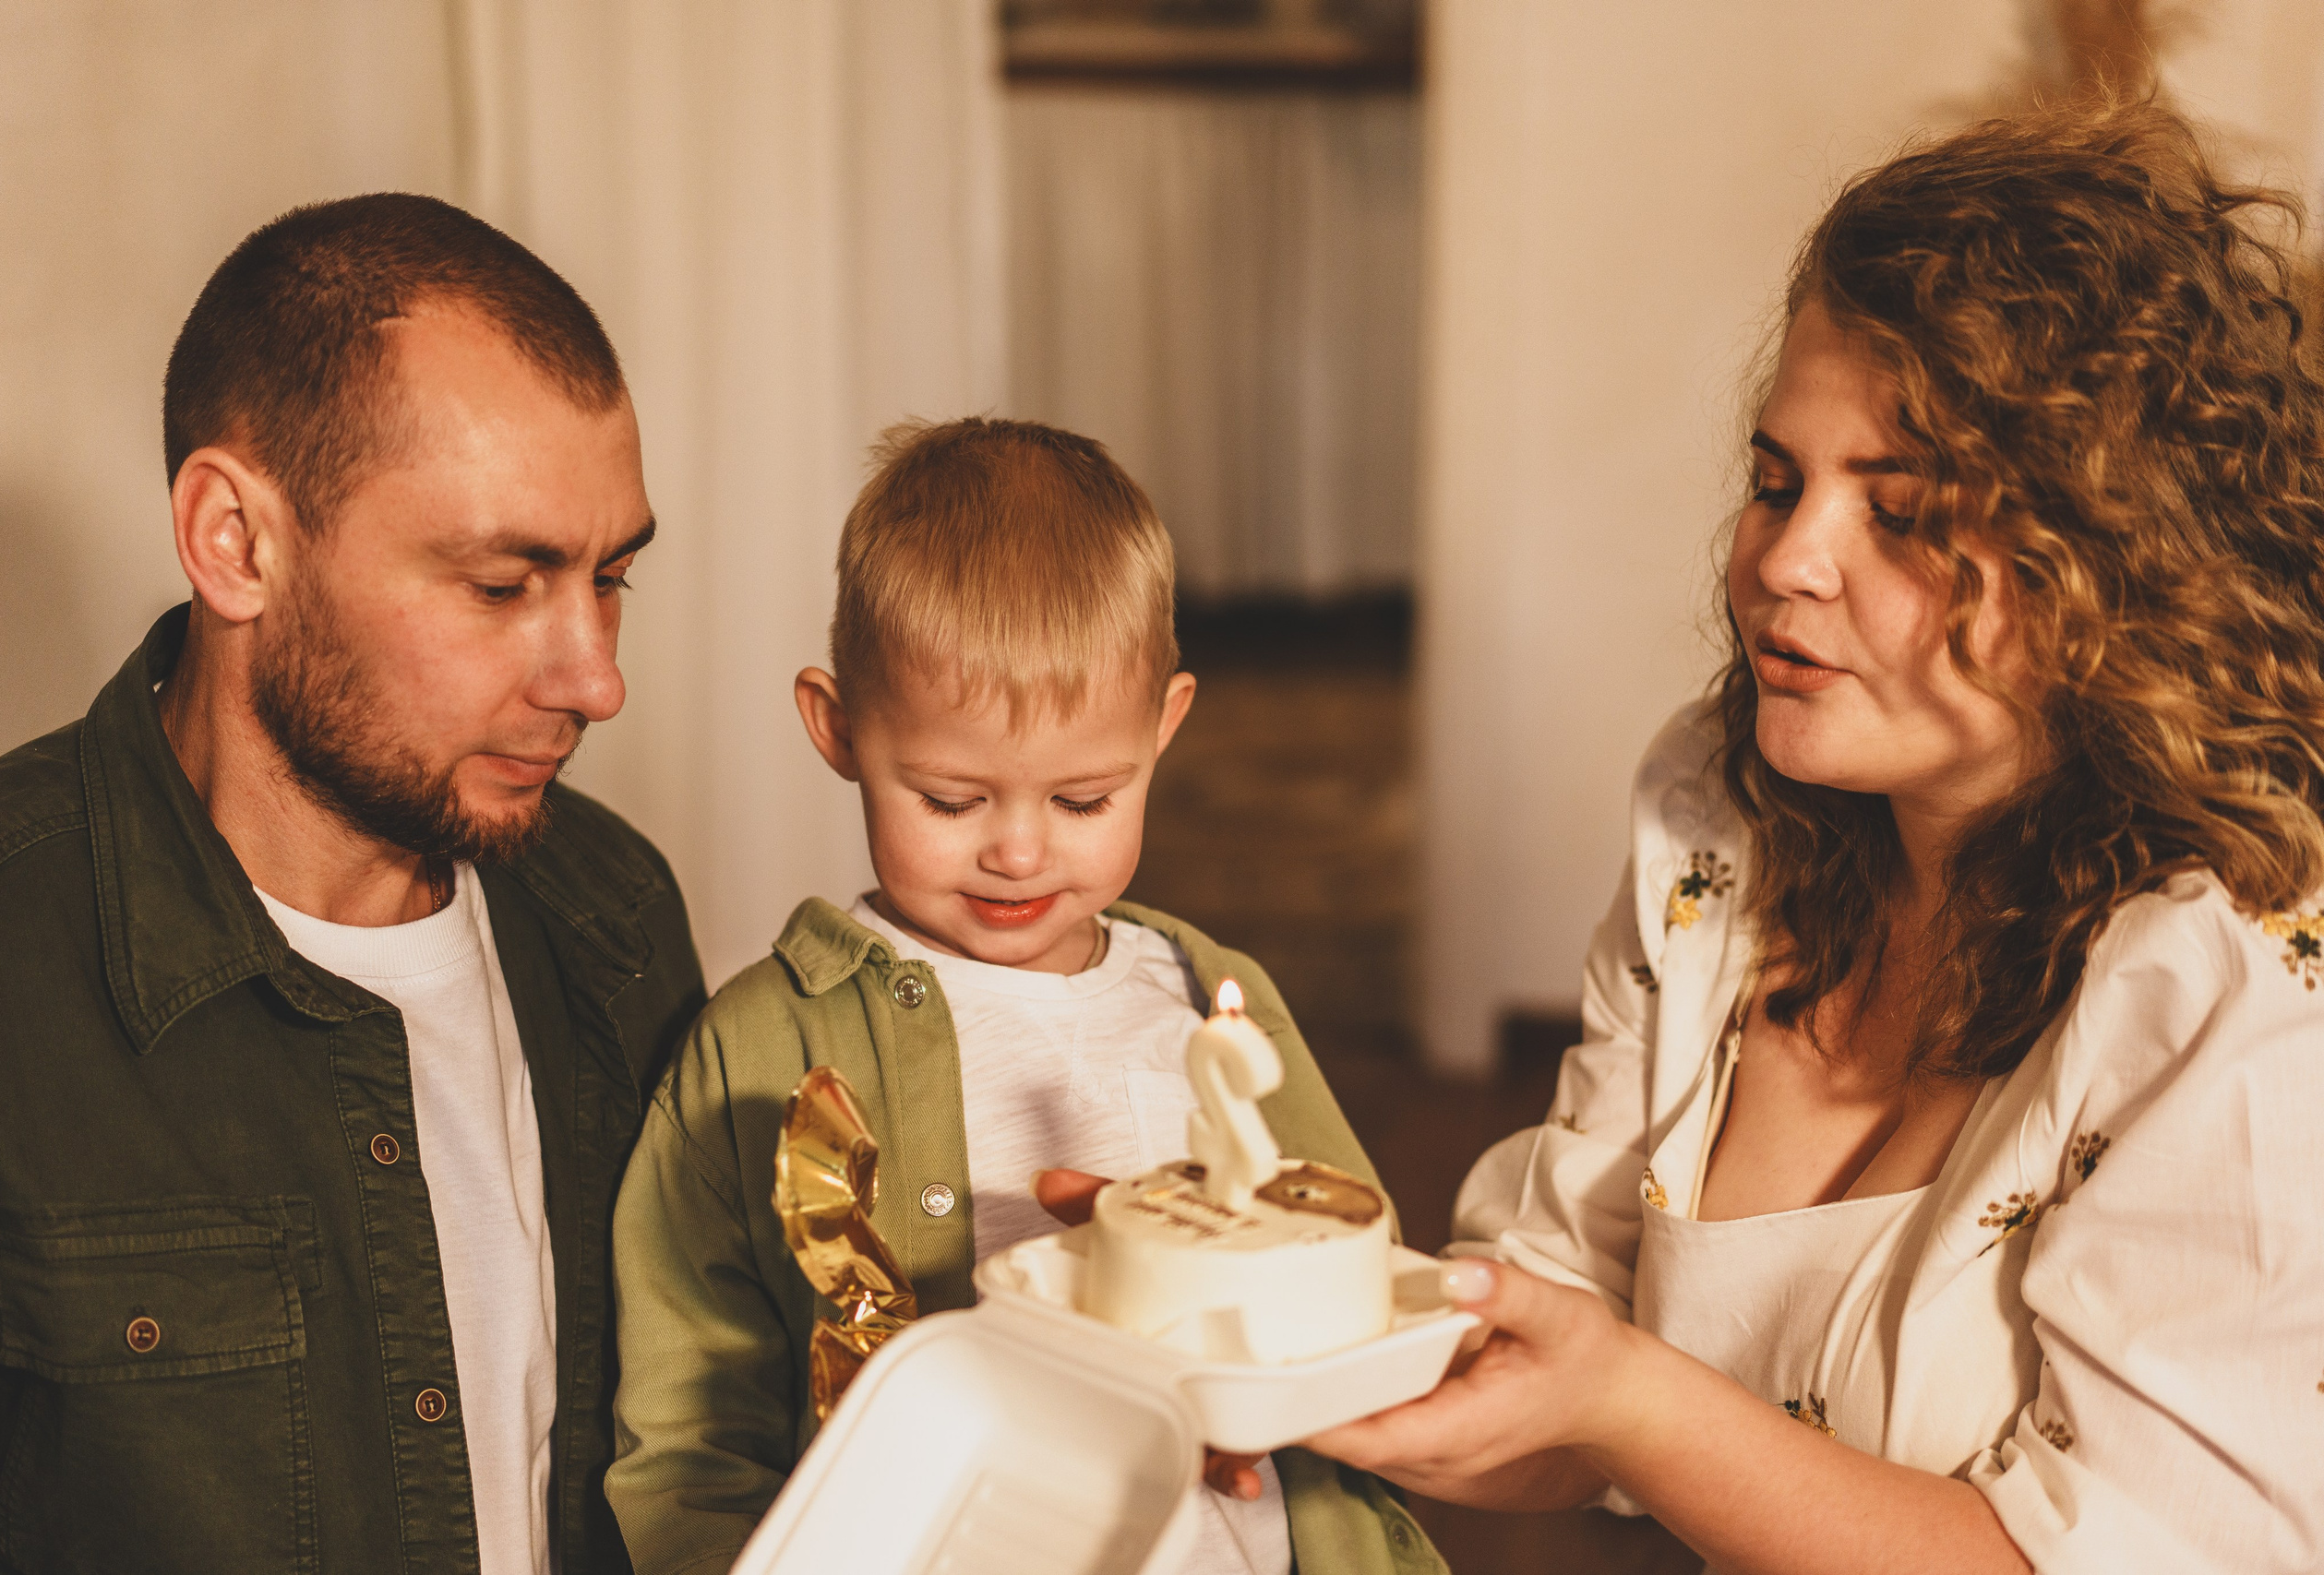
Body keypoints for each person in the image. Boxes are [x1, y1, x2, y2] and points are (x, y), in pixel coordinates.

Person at [1312, 101, 2324, 1573]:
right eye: (1778, 480)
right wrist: (1238, 1301)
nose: (1785, 560)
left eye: (1901, 512)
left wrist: (1624, 1395)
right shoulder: (1717, 836)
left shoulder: (2244, 986)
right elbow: (1548, 1355)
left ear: (2114, 567)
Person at [0, 195, 705, 1573]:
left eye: (612, 578)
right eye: (502, 584)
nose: (595, 676)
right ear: (236, 541)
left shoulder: (616, 914)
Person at [604, 418, 1440, 1575]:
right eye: (950, 800)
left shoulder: (1215, 1005)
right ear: (836, 727)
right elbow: (687, 1434)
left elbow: (1352, 1273)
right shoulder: (757, 1050)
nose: (1018, 852)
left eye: (1087, 799)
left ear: (1166, 727)